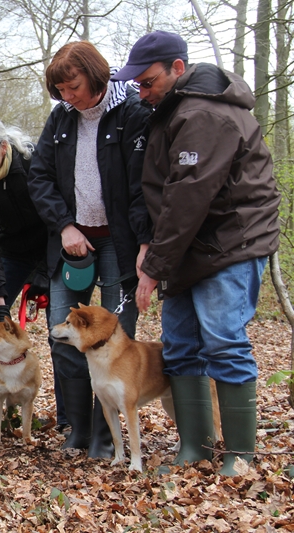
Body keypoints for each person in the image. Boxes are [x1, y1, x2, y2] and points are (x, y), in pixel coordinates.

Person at [113, 31, 280, 475]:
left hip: (229, 245)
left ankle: (240, 453)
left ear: (178, 69)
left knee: (223, 340)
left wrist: (152, 267)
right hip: (188, 249)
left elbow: (188, 197)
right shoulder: (167, 113)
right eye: (138, 85)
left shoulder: (206, 114)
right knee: (181, 347)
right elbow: (156, 196)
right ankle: (196, 447)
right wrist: (152, 246)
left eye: (148, 81)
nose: (142, 92)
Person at [27, 41, 152, 459]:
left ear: (96, 77)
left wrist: (144, 243)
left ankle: (106, 438)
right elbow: (39, 178)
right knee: (62, 337)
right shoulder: (61, 118)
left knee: (115, 341)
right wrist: (64, 225)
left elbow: (142, 186)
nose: (68, 96)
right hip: (70, 243)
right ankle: (77, 431)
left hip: (119, 240)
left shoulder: (133, 112)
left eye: (74, 86)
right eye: (60, 89)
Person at [0, 115, 65, 430]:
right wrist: (0, 298)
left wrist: (43, 278)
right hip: (11, 252)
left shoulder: (34, 163)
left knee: (59, 331)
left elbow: (56, 219)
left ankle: (70, 421)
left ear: (3, 146)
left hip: (53, 245)